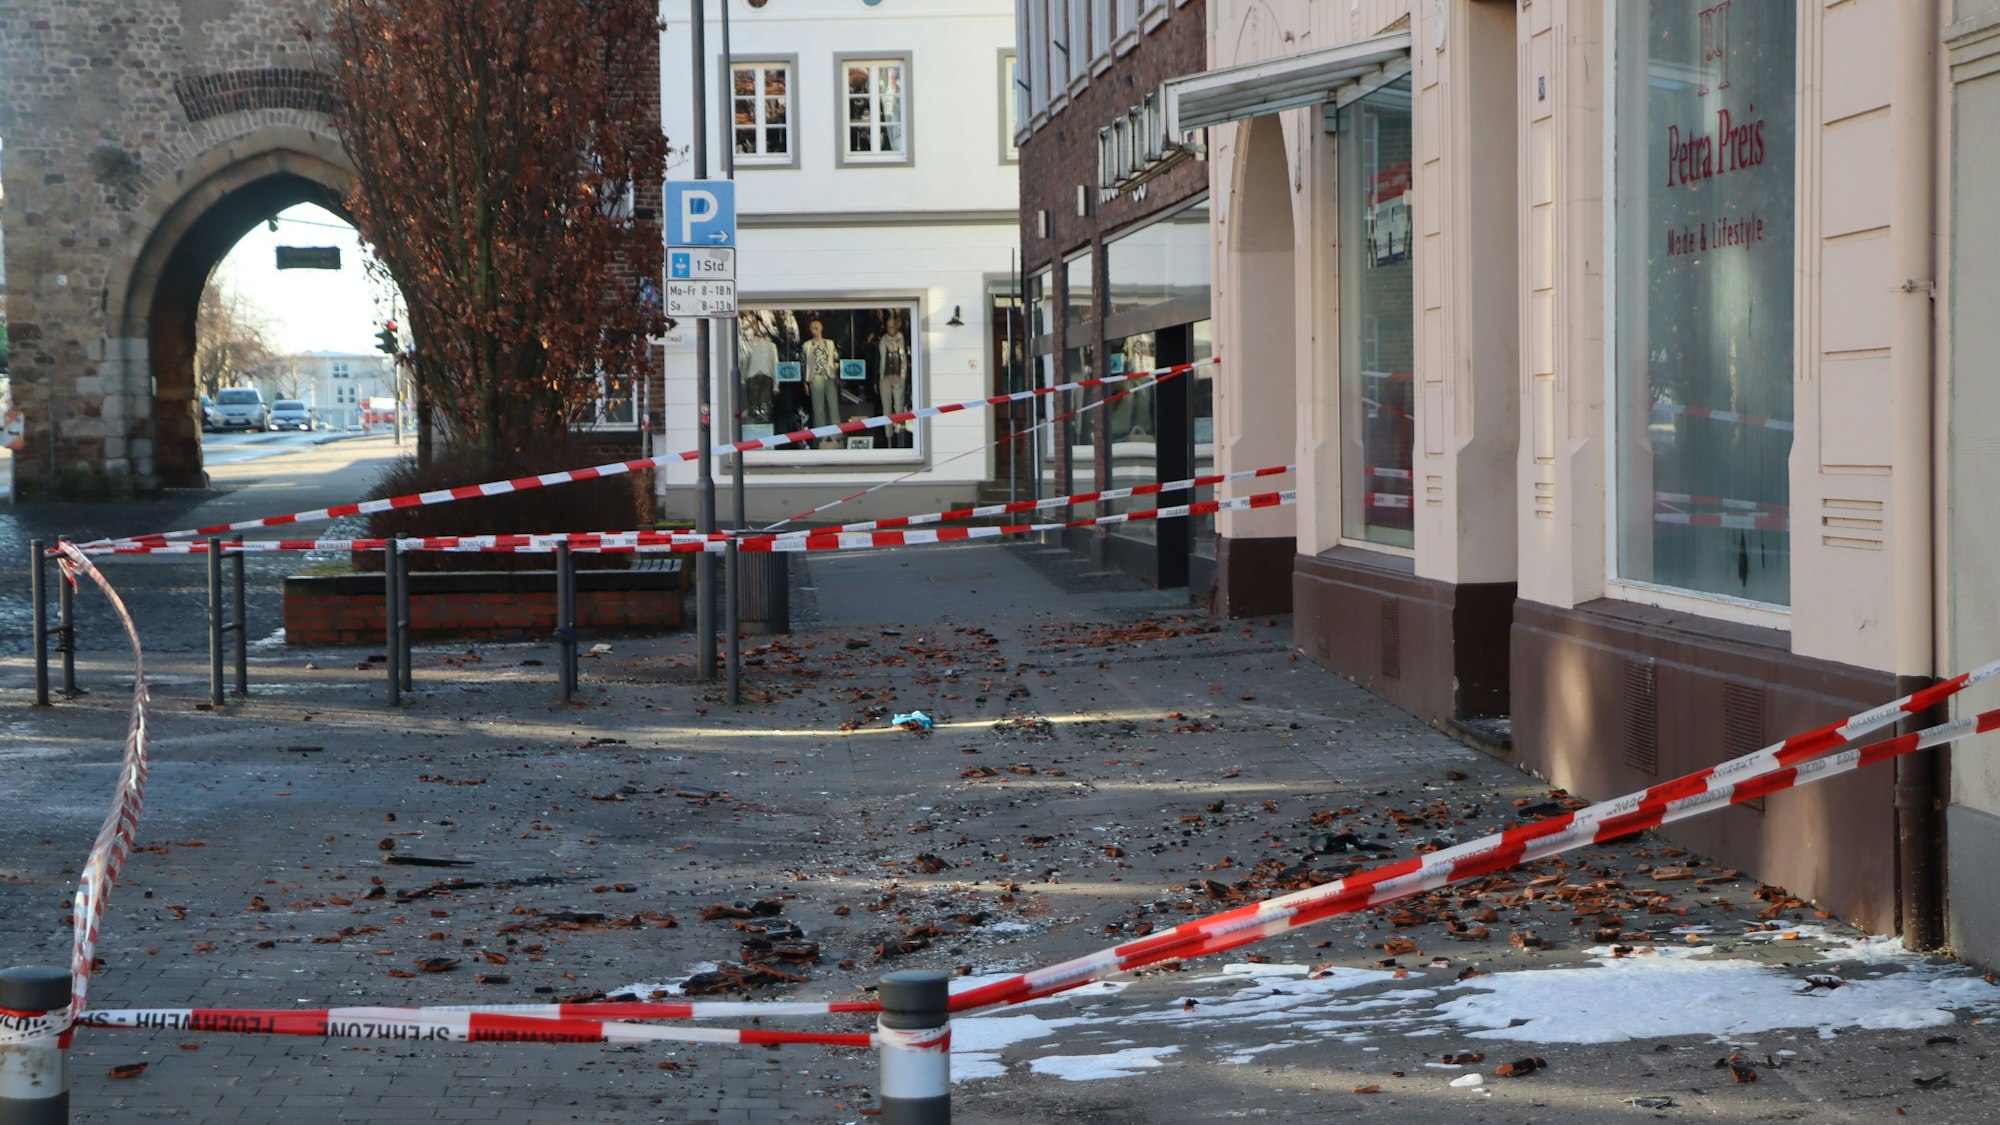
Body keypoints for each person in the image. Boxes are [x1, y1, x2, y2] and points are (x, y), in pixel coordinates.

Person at [801, 318, 841, 442]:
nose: (815, 331)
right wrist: (805, 382)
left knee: (833, 406)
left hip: (829, 375)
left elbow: (836, 359)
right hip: (815, 376)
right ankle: (820, 436)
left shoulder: (829, 343)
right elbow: (803, 364)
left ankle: (837, 435)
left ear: (821, 328)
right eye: (813, 329)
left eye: (817, 328)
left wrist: (836, 373)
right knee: (818, 408)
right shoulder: (807, 345)